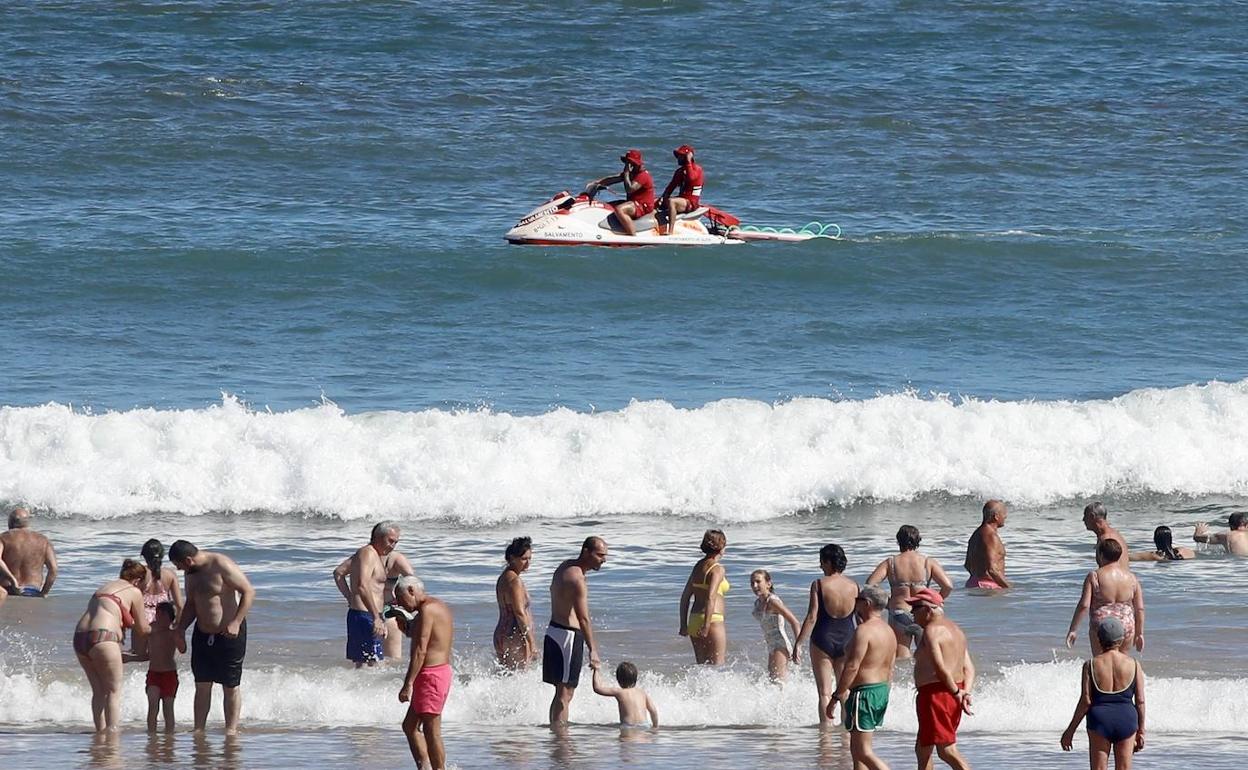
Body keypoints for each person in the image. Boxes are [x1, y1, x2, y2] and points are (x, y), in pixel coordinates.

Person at [170, 539, 255, 735]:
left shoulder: (221, 564)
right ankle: (198, 729)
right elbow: (191, 603)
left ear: (188, 560)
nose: (179, 570)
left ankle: (231, 730)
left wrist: (235, 622)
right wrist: (181, 629)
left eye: (179, 566)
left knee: (230, 685)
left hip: (229, 634)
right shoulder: (191, 573)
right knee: (202, 684)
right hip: (202, 634)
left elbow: (249, 592)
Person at [73, 559, 150, 733]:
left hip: (80, 638)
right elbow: (143, 629)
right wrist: (163, 631)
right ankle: (113, 734)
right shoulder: (133, 591)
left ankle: (100, 733)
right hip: (104, 637)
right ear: (138, 580)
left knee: (98, 691)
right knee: (113, 691)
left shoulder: (104, 588)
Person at [1060, 617, 1147, 770]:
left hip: (1099, 721)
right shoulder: (1134, 664)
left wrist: (1070, 730)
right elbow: (1140, 701)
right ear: (1122, 639)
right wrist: (1141, 731)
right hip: (1126, 719)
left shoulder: (1090, 665)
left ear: (1099, 639)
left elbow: (1085, 701)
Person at [543, 536, 608, 726]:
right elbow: (583, 618)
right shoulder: (577, 578)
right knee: (565, 693)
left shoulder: (564, 566)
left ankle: (556, 734)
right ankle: (560, 740)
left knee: (561, 692)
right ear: (586, 552)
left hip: (554, 631)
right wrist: (593, 650)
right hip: (567, 637)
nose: (603, 560)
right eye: (600, 555)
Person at [910, 587, 976, 770]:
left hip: (938, 695)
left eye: (915, 608)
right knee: (922, 748)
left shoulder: (932, 631)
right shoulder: (957, 630)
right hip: (950, 691)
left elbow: (940, 667)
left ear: (928, 609)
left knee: (946, 750)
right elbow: (969, 667)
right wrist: (965, 692)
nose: (911, 613)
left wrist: (956, 693)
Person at [794, 543, 859, 727]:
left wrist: (798, 643)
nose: (820, 566)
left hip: (822, 639)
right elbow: (860, 618)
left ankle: (826, 736)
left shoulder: (818, 584)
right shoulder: (854, 586)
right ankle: (847, 734)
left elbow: (812, 616)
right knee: (844, 690)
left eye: (822, 562)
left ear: (829, 562)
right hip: (848, 639)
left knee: (824, 693)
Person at [865, 525, 954, 659]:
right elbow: (948, 586)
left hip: (899, 612)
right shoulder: (927, 562)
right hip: (923, 612)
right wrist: (935, 600)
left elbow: (870, 585)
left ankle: (904, 680)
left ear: (898, 541)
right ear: (918, 541)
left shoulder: (891, 563)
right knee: (927, 654)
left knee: (902, 657)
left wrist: (887, 603)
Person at [833, 584, 897, 770]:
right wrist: (885, 692)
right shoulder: (889, 631)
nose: (855, 604)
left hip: (864, 693)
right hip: (880, 690)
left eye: (857, 600)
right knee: (856, 751)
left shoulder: (864, 631)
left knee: (862, 751)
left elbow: (852, 666)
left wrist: (838, 694)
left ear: (867, 603)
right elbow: (891, 667)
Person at [396, 575, 455, 770]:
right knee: (410, 726)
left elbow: (421, 649)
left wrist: (408, 684)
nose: (400, 604)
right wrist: (406, 628)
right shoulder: (435, 606)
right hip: (438, 673)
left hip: (431, 675)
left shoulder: (427, 610)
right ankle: (424, 766)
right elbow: (430, 638)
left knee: (432, 730)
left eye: (401, 598)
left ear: (411, 590)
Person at [333, 521, 405, 668]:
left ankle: (357, 691)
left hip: (365, 614)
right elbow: (362, 585)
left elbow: (339, 572)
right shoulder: (367, 553)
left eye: (396, 542)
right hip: (366, 616)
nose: (393, 546)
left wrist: (349, 597)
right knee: (372, 664)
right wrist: (376, 617)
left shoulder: (369, 554)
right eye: (390, 541)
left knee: (367, 664)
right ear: (378, 537)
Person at [1065, 539, 1145, 654]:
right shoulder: (1132, 578)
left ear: (1101, 555)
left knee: (1100, 663)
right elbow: (1140, 608)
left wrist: (1073, 629)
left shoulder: (1095, 576)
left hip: (1102, 625)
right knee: (1122, 663)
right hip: (1126, 624)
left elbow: (1084, 605)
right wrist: (1139, 633)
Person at [678, 529, 729, 665]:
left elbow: (685, 597)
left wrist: (684, 624)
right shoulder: (717, 569)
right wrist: (706, 625)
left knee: (702, 667)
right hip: (712, 619)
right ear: (721, 546)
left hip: (694, 619)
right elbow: (711, 597)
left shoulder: (698, 566)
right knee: (718, 666)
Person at [133, 539, 184, 657]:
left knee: (139, 654)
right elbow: (180, 605)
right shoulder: (170, 574)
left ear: (144, 556)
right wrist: (177, 624)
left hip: (142, 618)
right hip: (163, 617)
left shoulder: (139, 573)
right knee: (165, 655)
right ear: (162, 555)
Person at [587, 149, 655, 236]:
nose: (627, 165)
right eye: (626, 163)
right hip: (633, 202)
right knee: (607, 206)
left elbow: (630, 189)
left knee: (619, 209)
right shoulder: (632, 173)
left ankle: (632, 235)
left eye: (629, 163)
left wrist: (626, 173)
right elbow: (612, 179)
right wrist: (596, 183)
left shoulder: (643, 175)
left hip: (643, 206)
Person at [494, 536, 538, 670]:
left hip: (501, 634)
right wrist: (532, 642)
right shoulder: (515, 581)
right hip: (515, 635)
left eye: (530, 558)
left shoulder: (503, 578)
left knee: (506, 676)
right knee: (521, 675)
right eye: (524, 559)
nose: (528, 563)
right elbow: (519, 612)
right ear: (512, 558)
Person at [749, 569, 801, 681]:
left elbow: (794, 622)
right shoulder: (758, 603)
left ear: (768, 584)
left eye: (758, 582)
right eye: (752, 583)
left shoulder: (772, 602)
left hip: (780, 644)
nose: (754, 585)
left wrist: (798, 646)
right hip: (771, 645)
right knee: (773, 681)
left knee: (778, 683)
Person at [0, 507, 58, 604]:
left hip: (7, 589)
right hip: (32, 591)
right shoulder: (43, 540)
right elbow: (54, 569)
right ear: (27, 522)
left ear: (10, 522)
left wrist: (13, 580)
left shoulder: (3, 537)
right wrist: (44, 592)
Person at [145, 601, 185, 733]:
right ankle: (151, 735)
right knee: (153, 705)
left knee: (168, 708)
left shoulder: (172, 633)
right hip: (154, 674)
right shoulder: (151, 630)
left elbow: (183, 649)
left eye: (163, 615)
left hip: (169, 674)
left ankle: (169, 736)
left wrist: (179, 635)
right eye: (158, 614)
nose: (159, 617)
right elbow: (142, 649)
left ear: (170, 618)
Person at [591, 660, 659, 728]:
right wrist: (655, 727)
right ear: (635, 679)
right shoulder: (642, 693)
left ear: (618, 680)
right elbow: (653, 711)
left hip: (628, 726)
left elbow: (597, 688)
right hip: (644, 725)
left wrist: (596, 670)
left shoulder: (619, 692)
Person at [658, 144, 704, 236]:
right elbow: (670, 187)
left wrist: (688, 162)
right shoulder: (679, 172)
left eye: (681, 156)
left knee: (672, 202)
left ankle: (670, 232)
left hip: (691, 203)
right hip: (682, 200)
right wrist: (662, 199)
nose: (678, 158)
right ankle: (659, 230)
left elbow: (691, 178)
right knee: (656, 203)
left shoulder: (697, 170)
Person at [964, 500, 1011, 589]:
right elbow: (992, 570)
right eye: (1004, 513)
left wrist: (977, 578)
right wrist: (1008, 588)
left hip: (973, 582)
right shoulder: (990, 536)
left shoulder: (976, 534)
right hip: (987, 586)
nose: (1006, 516)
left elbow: (967, 565)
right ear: (996, 516)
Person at [1083, 502, 1130, 567]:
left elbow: (1110, 571)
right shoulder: (1114, 534)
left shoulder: (1106, 540)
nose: (1083, 520)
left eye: (1085, 516)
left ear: (1092, 516)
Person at [1129, 525, 1196, 562]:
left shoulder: (1154, 556)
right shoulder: (1183, 551)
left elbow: (1128, 557)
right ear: (1171, 539)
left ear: (1155, 540)